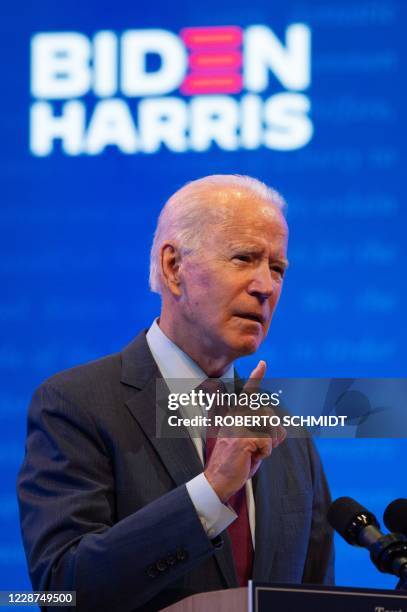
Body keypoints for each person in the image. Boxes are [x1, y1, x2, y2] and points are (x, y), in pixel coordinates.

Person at [17, 175, 334, 611]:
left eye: (277, 268)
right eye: (243, 258)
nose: (266, 286)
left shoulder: (287, 433)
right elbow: (64, 590)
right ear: (173, 267)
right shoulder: (76, 404)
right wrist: (212, 488)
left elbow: (315, 596)